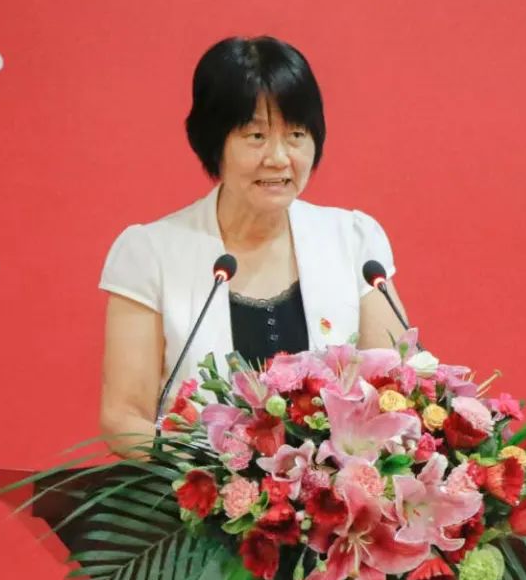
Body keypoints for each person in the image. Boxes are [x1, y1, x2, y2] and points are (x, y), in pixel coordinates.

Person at [98, 36, 408, 456]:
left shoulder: (353, 240)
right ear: (214, 143)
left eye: (296, 134)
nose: (279, 157)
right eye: (256, 136)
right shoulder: (150, 253)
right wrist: (221, 470)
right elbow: (123, 419)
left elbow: (397, 390)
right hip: (197, 491)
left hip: (338, 493)